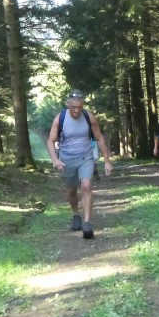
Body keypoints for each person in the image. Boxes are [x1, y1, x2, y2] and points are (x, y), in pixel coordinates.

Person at [46, 89, 112, 239]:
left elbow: (100, 138)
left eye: (80, 107)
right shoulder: (60, 118)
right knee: (71, 191)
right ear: (68, 104)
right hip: (67, 160)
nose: (76, 111)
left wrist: (107, 161)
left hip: (85, 157)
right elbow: (51, 140)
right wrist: (55, 160)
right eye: (73, 107)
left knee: (86, 185)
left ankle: (87, 223)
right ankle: (76, 214)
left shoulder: (89, 117)